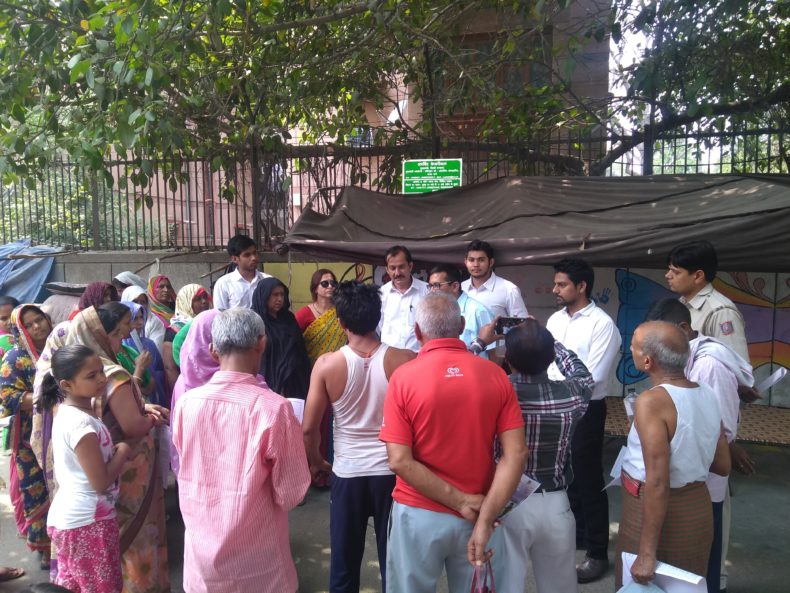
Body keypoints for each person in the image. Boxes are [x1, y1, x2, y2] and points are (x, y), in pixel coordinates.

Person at [379, 293, 528, 592]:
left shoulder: (403, 378)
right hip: (480, 511)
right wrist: (485, 517)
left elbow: (399, 460)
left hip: (419, 512)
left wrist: (460, 502)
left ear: (418, 332)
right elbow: (516, 454)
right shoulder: (495, 375)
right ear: (461, 325)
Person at [172, 308, 311, 593]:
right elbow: (291, 493)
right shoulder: (275, 409)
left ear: (212, 350)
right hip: (259, 567)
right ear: (262, 343)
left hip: (202, 565)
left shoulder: (187, 403)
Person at [303, 282, 415, 593]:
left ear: (340, 322)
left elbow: (309, 428)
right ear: (378, 317)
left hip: (347, 473)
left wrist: (317, 463)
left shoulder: (326, 364)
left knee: (344, 563)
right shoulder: (404, 360)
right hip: (391, 472)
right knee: (393, 561)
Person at [644, 298, 753, 593]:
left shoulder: (709, 366)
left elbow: (722, 430)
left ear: (683, 329)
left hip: (703, 486)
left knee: (703, 566)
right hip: (689, 481)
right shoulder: (688, 359)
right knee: (684, 563)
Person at [616, 321, 730, 588]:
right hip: (696, 508)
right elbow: (723, 465)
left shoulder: (652, 402)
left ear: (647, 361)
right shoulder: (708, 394)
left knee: (643, 584)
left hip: (654, 512)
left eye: (633, 344)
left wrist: (646, 554)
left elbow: (657, 481)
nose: (630, 348)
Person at [66, 307, 170, 593]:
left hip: (104, 460)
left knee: (119, 537)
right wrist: (150, 417)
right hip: (130, 465)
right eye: (114, 333)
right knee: (139, 536)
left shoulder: (78, 374)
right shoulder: (111, 373)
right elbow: (133, 425)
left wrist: (141, 406)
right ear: (98, 335)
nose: (122, 338)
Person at [499, 320, 594, 593]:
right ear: (551, 357)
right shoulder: (570, 395)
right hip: (556, 501)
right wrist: (555, 345)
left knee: (505, 583)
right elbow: (583, 374)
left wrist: (480, 343)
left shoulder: (495, 392)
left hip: (506, 499)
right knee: (559, 586)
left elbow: (460, 371)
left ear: (507, 359)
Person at [545, 258, 622, 583]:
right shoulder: (554, 319)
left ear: (581, 287)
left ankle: (597, 553)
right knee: (565, 473)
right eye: (556, 283)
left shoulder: (602, 325)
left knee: (589, 478)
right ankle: (577, 535)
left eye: (561, 284)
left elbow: (591, 377)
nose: (555, 290)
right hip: (555, 407)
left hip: (586, 410)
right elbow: (546, 361)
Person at [42, 345, 135, 593]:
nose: (102, 379)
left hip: (74, 518)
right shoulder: (81, 424)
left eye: (101, 372)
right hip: (87, 522)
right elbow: (100, 481)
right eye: (91, 376)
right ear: (66, 385)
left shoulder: (70, 412)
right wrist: (124, 450)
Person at [0, 304, 53, 568]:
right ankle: (44, 548)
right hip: (28, 440)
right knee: (37, 490)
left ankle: (65, 542)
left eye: (39, 320)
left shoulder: (60, 348)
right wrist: (46, 398)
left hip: (61, 431)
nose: (37, 327)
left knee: (62, 487)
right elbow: (8, 398)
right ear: (20, 330)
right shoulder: (14, 358)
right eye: (29, 325)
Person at [295, 269, 347, 481]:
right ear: (315, 288)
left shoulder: (340, 313)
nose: (331, 287)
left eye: (333, 283)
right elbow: (295, 344)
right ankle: (314, 469)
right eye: (325, 284)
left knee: (335, 423)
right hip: (312, 374)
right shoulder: (304, 314)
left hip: (338, 374)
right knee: (314, 423)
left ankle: (334, 468)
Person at [666, 241, 748, 362]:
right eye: (669, 270)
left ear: (698, 275)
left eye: (676, 272)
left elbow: (737, 365)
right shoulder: (681, 304)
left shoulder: (721, 312)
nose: (668, 275)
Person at [251, 278, 311, 398]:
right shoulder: (254, 321)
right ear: (264, 296)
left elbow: (300, 350)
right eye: (275, 295)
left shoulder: (288, 319)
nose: (279, 299)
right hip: (267, 383)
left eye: (282, 295)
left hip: (294, 384)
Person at [427, 264, 493, 356]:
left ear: (455, 286)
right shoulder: (434, 311)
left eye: (436, 285)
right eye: (430, 286)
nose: (432, 291)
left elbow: (495, 352)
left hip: (475, 369)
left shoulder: (478, 310)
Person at [98, 303, 156, 400]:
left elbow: (150, 382)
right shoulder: (110, 360)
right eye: (128, 323)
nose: (132, 326)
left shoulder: (128, 350)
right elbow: (125, 395)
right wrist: (140, 368)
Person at [378, 245, 429, 352]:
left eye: (401, 267)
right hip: (389, 358)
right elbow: (379, 326)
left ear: (410, 266)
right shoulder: (381, 294)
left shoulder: (426, 291)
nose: (397, 273)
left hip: (418, 357)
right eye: (392, 268)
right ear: (387, 270)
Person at [461, 239, 527, 319]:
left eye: (481, 260)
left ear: (491, 262)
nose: (476, 265)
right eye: (471, 260)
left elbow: (522, 325)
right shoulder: (460, 288)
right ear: (465, 262)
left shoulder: (509, 289)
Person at [121, 301, 167, 406]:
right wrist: (144, 389)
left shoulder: (149, 344)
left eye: (141, 317)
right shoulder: (120, 348)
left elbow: (160, 368)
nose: (140, 322)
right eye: (134, 318)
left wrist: (154, 380)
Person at [213, 234, 271, 310]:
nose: (253, 258)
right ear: (234, 259)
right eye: (247, 255)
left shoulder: (267, 280)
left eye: (254, 253)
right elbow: (220, 315)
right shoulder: (224, 284)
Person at [121, 285, 166, 352]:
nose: (139, 305)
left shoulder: (154, 322)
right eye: (135, 301)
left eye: (143, 302)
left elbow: (155, 351)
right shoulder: (119, 324)